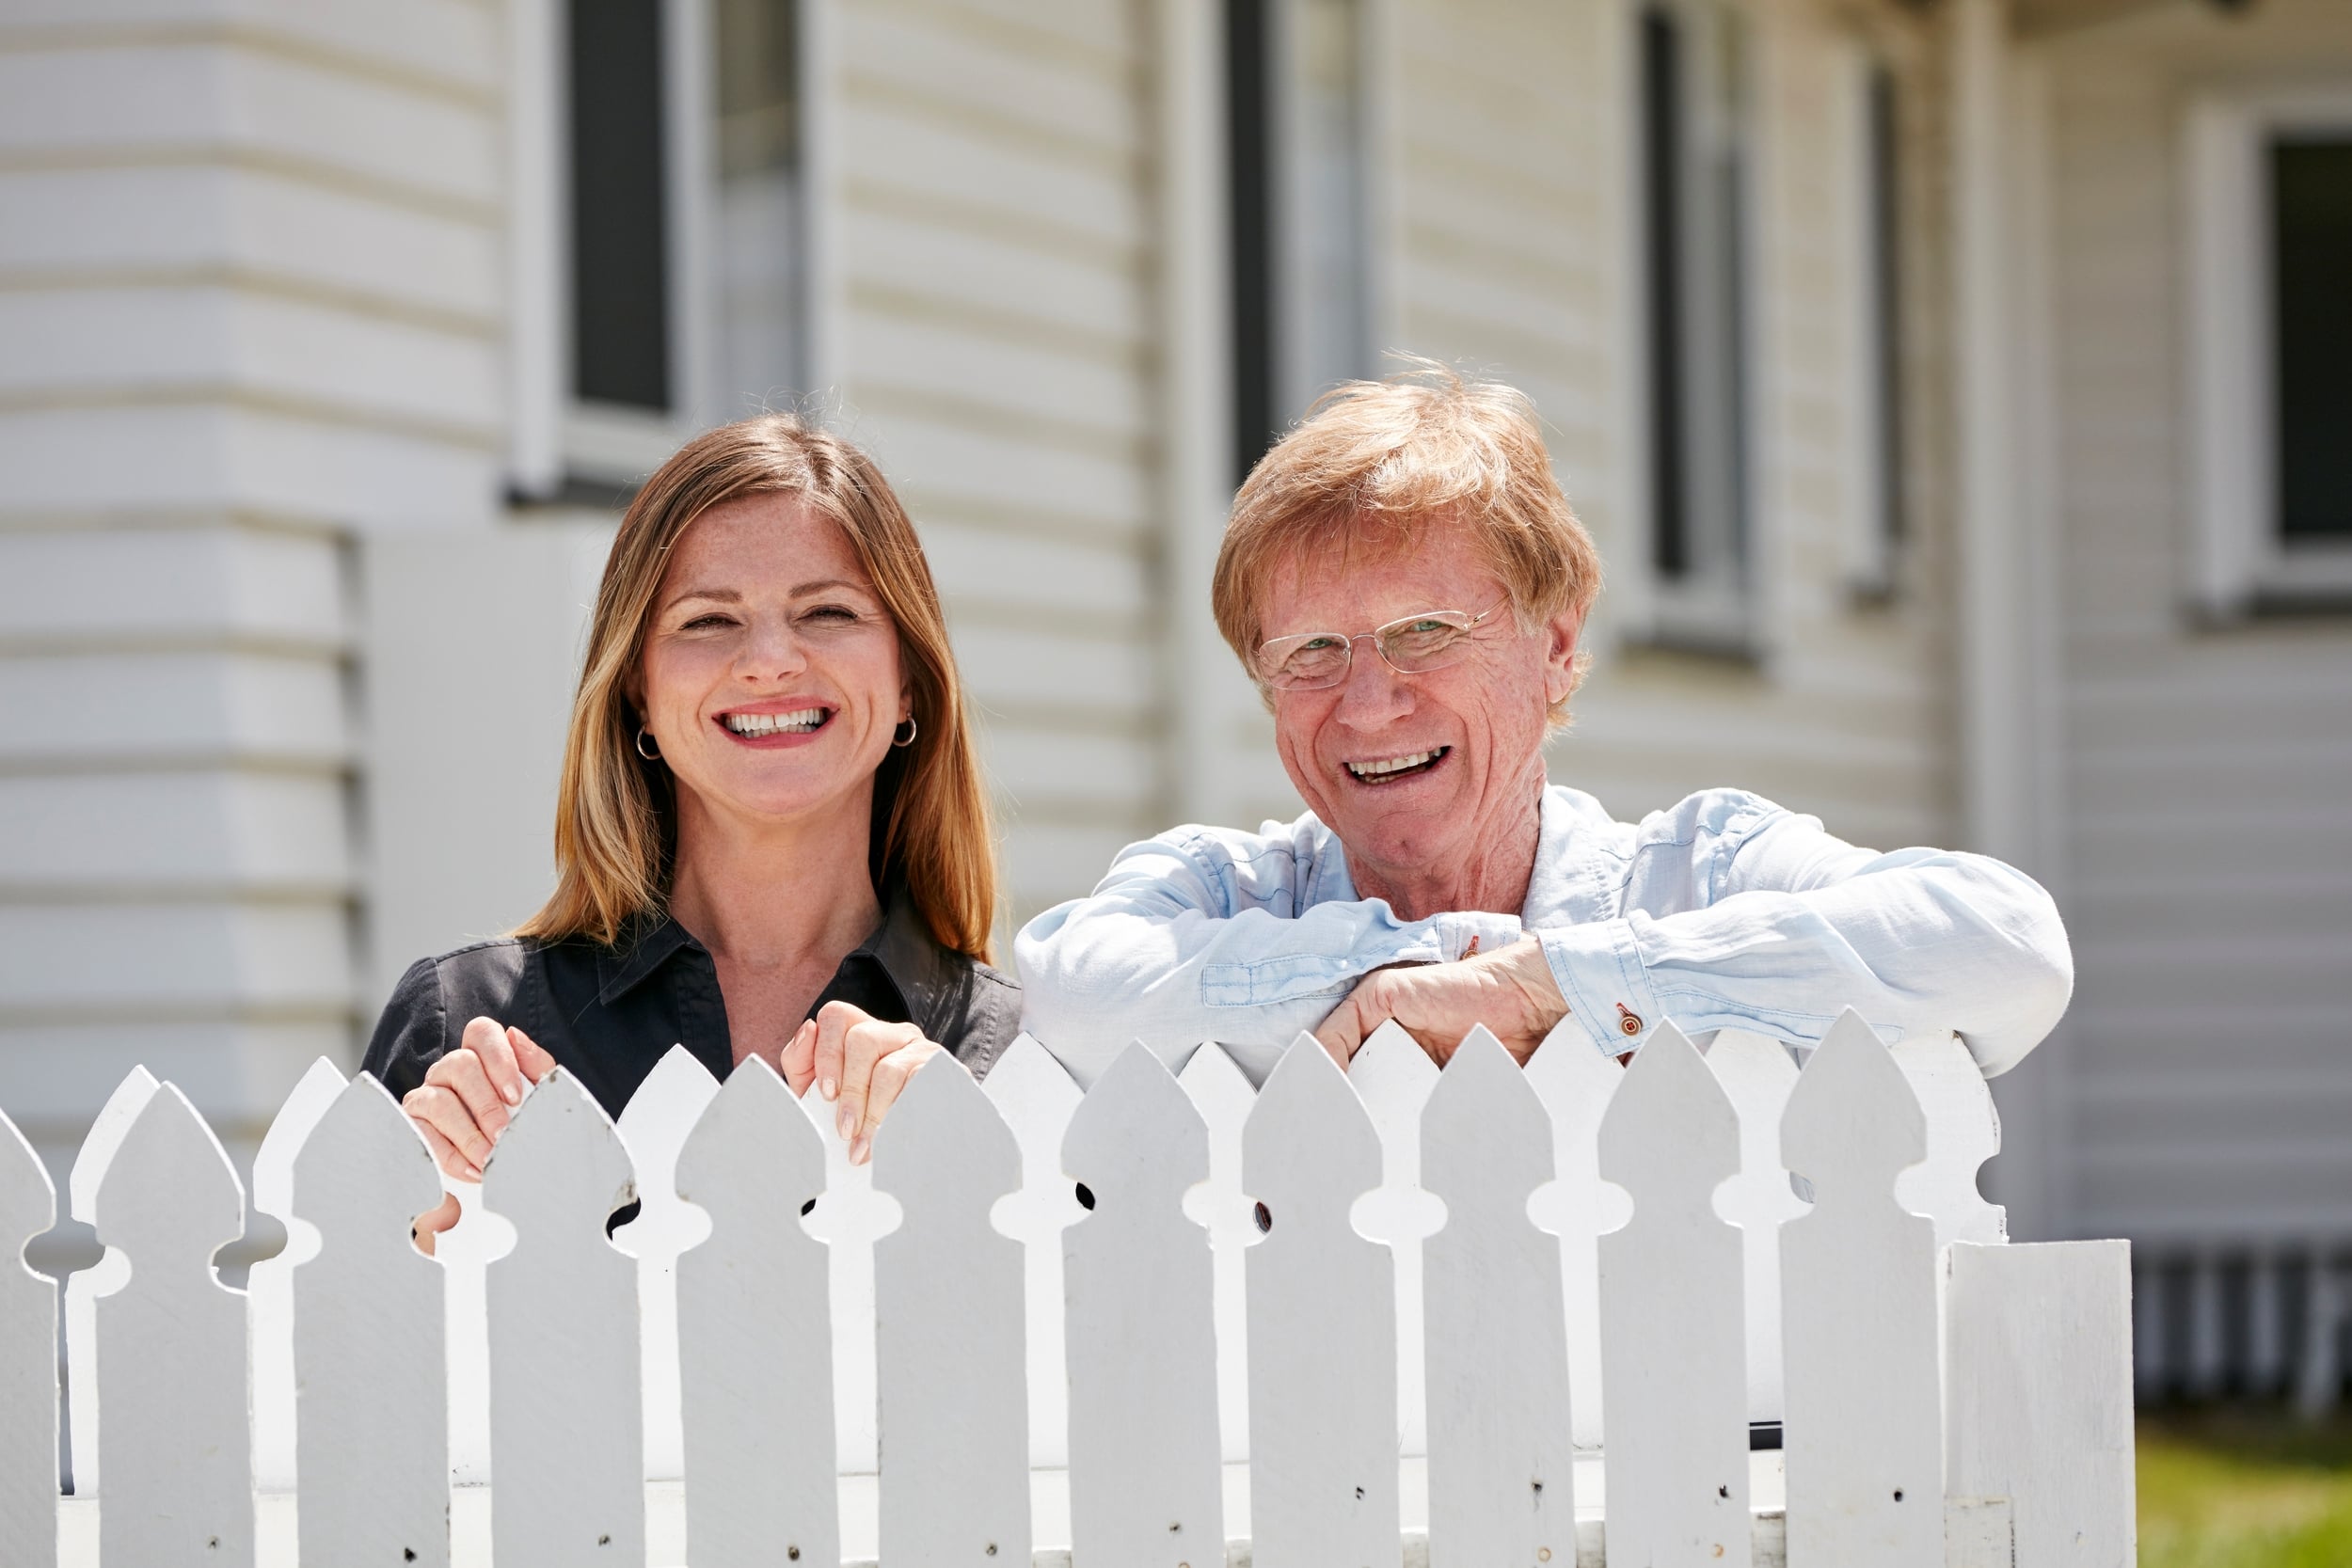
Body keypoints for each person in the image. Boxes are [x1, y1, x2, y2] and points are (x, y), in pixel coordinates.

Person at [1015, 366, 2073, 1087]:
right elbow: (1072, 990)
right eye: (1310, 652)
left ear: (1557, 644)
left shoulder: (1696, 872)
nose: (1368, 701)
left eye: (1424, 631)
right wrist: (1412, 980)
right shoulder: (1220, 888)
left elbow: (2007, 947)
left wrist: (1549, 984)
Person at [365, 416, 1018, 1238]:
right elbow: (342, 1355)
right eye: (708, 620)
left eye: (827, 611)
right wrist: (428, 1237)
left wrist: (969, 1163)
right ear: (638, 690)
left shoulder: (1010, 1057)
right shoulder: (462, 1027)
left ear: (909, 685)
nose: (770, 660)